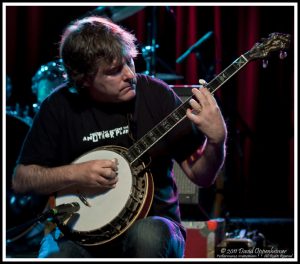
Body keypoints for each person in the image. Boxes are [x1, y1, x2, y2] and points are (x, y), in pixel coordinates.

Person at [12, 16, 227, 258]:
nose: (129, 75)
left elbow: (201, 175)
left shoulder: (155, 94)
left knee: (148, 235)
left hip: (153, 225)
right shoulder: (58, 106)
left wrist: (217, 141)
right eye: (115, 71)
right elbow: (21, 180)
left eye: (130, 62)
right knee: (57, 256)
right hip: (81, 235)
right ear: (83, 79)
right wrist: (75, 174)